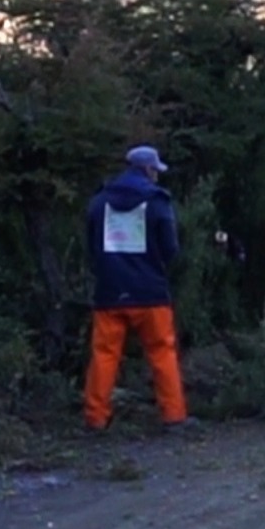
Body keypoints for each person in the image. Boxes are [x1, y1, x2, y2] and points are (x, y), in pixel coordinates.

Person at [83, 145, 195, 433]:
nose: (157, 175)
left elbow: (91, 246)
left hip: (109, 292)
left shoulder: (100, 201)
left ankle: (96, 418)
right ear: (147, 170)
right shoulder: (158, 202)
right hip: (151, 292)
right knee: (162, 352)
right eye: (156, 170)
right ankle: (173, 417)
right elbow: (170, 248)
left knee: (104, 355)